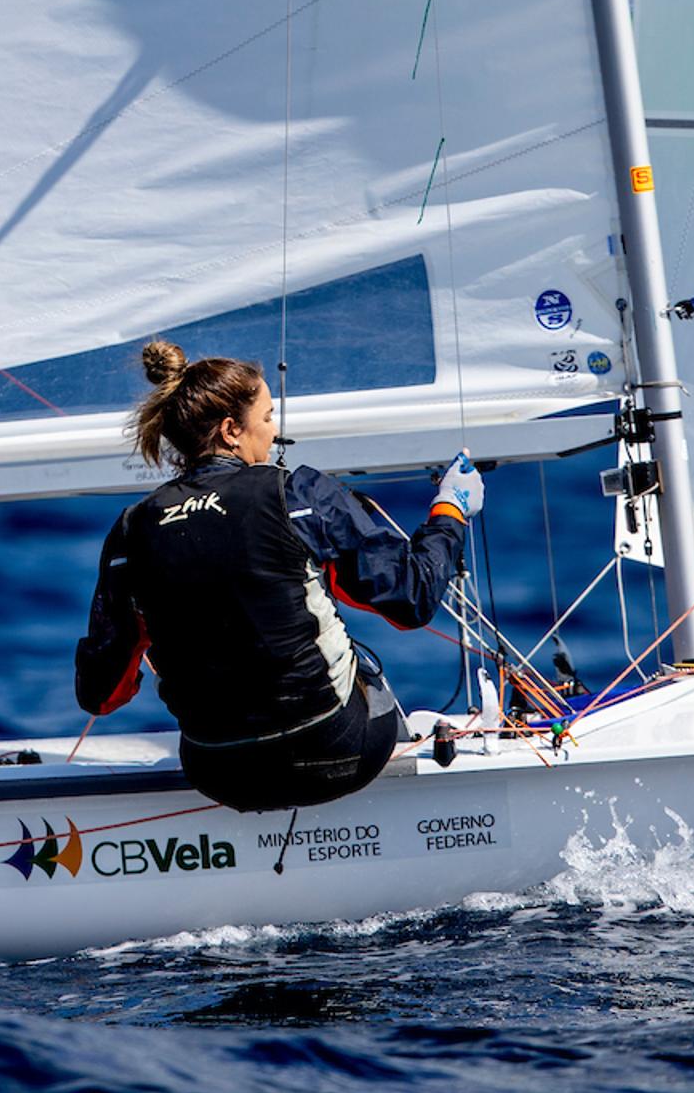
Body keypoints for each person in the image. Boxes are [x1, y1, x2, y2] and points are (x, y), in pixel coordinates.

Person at [75, 341, 482, 812]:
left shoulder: (131, 529)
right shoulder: (298, 494)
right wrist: (451, 507)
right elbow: (411, 600)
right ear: (231, 430)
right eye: (268, 418)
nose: (275, 432)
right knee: (359, 665)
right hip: (340, 752)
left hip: (219, 772)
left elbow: (101, 695)